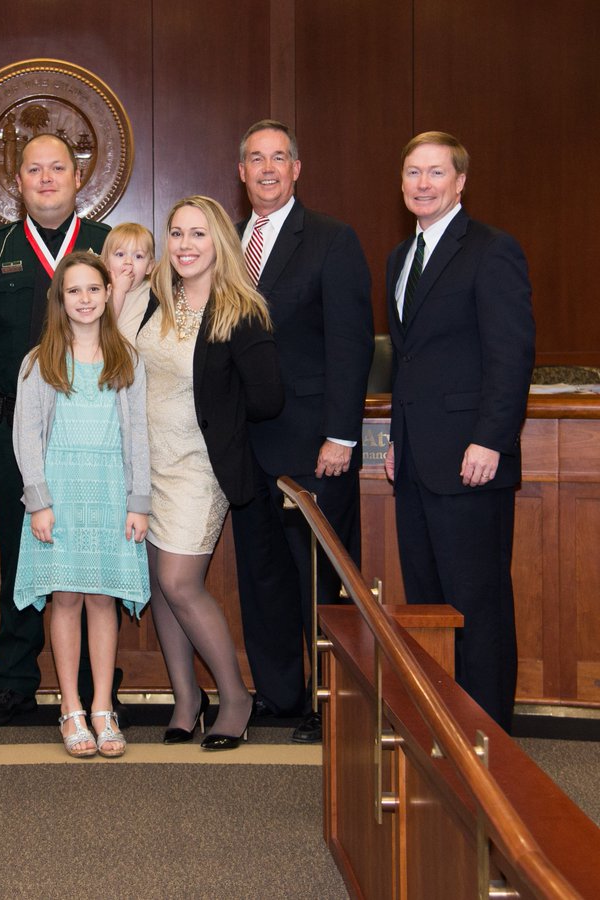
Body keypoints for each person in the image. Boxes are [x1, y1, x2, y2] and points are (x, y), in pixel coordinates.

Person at [0, 133, 113, 728]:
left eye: (57, 168)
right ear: (17, 182)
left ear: (78, 178)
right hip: (18, 430)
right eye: (34, 170)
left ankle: (97, 688)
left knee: (93, 552)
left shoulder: (108, 247)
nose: (46, 179)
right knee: (21, 552)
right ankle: (15, 681)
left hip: (98, 431)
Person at [384, 132, 534, 732]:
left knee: (478, 603)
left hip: (473, 458)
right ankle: (444, 727)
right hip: (416, 462)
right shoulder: (400, 257)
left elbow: (511, 355)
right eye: (413, 172)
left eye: (436, 172)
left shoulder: (492, 250)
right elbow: (409, 361)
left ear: (461, 182)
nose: (423, 184)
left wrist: (491, 439)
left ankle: (489, 736)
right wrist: (397, 439)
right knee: (430, 604)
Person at [230, 120, 374, 743]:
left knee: (323, 577)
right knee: (263, 575)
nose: (267, 168)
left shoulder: (331, 240)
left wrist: (341, 435)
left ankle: (331, 699)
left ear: (296, 169)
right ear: (241, 172)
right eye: (256, 159)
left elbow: (350, 344)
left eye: (279, 158)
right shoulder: (227, 242)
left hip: (313, 446)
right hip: (245, 447)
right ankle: (282, 694)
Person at [138, 196, 283, 750]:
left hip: (199, 467)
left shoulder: (240, 311)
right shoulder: (158, 298)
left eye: (198, 234)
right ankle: (186, 699)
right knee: (160, 585)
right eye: (177, 233)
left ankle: (235, 697)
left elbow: (267, 397)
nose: (185, 245)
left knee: (180, 582)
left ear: (219, 241)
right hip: (148, 463)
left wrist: (216, 414)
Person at [12, 253, 150, 758]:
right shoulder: (39, 361)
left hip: (111, 492)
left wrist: (139, 501)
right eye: (74, 290)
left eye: (94, 288)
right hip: (60, 495)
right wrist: (39, 502)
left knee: (103, 599)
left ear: (109, 294)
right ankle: (70, 707)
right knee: (66, 598)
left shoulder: (127, 359)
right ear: (60, 299)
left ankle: (101, 707)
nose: (85, 299)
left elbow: (139, 435)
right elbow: (26, 437)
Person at [102, 223, 156, 341]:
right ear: (106, 263)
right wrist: (119, 291)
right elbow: (102, 329)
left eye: (138, 256)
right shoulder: (99, 293)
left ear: (149, 266)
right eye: (120, 254)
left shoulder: (154, 293)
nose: (128, 261)